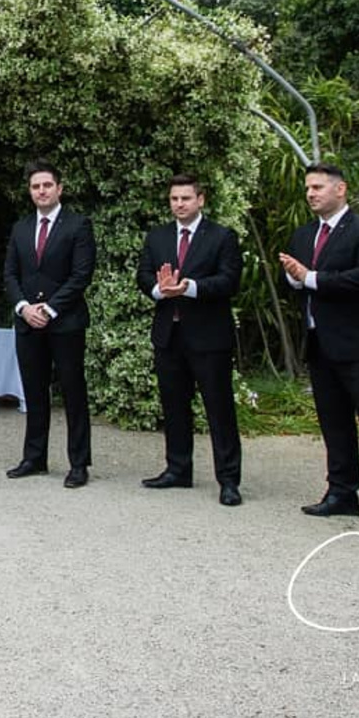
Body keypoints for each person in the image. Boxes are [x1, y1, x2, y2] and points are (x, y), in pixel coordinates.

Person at [277, 163, 359, 537]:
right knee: (334, 423)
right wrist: (294, 278)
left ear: (340, 189)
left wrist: (311, 278)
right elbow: (296, 284)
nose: (310, 194)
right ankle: (342, 491)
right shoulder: (304, 234)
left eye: (318, 187)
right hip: (320, 343)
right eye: (307, 188)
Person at [135, 172, 245, 504]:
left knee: (219, 409)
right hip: (169, 335)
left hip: (209, 337)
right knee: (174, 406)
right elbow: (143, 275)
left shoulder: (222, 236)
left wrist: (190, 288)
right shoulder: (158, 237)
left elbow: (230, 280)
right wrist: (159, 289)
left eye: (185, 198)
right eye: (174, 199)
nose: (179, 204)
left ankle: (229, 480)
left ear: (200, 200)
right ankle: (178, 469)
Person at [1, 161, 97, 488]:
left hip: (65, 322)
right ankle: (34, 457)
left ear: (59, 188)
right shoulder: (21, 228)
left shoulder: (78, 225)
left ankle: (79, 464)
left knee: (73, 392)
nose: (41, 191)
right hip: (27, 323)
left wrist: (51, 308)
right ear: (30, 192)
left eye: (46, 185)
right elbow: (10, 274)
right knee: (34, 391)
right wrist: (24, 307)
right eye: (35, 187)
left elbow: (81, 275)